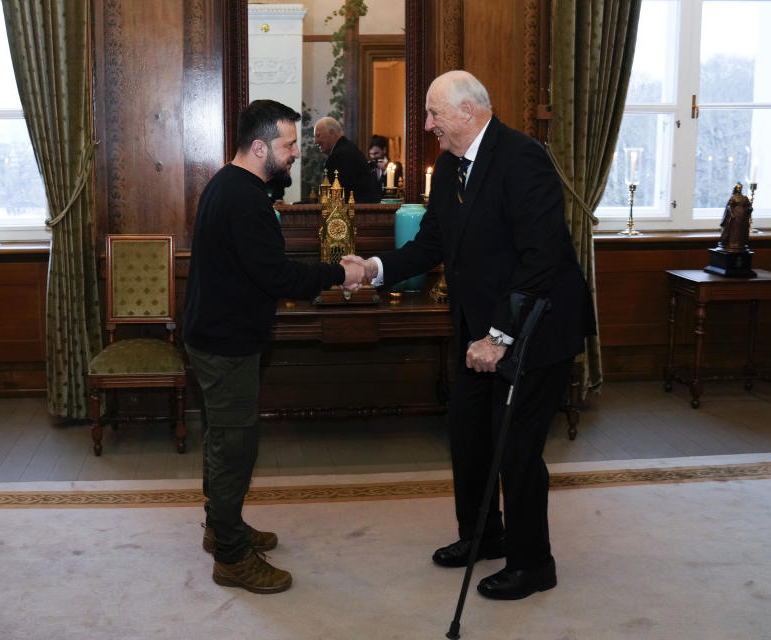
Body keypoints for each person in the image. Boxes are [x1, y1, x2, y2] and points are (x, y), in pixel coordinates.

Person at [343, 70, 596, 601]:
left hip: (536, 329)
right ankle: (483, 536)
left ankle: (534, 565)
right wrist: (372, 267)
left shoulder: (521, 157)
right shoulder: (454, 165)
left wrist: (499, 337)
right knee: (468, 434)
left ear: (468, 111)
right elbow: (431, 242)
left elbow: (539, 259)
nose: (428, 124)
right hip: (481, 332)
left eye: (434, 113)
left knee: (517, 448)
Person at [182, 99, 364, 595]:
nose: (294, 155)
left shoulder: (232, 185)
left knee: (225, 439)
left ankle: (223, 528)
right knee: (235, 445)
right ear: (260, 147)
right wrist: (340, 273)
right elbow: (277, 275)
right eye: (287, 145)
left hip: (217, 335)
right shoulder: (244, 198)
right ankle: (232, 558)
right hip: (225, 343)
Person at [313, 116, 380, 203]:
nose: (315, 141)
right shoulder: (348, 148)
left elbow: (335, 199)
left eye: (318, 135)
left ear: (332, 133)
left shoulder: (339, 155)